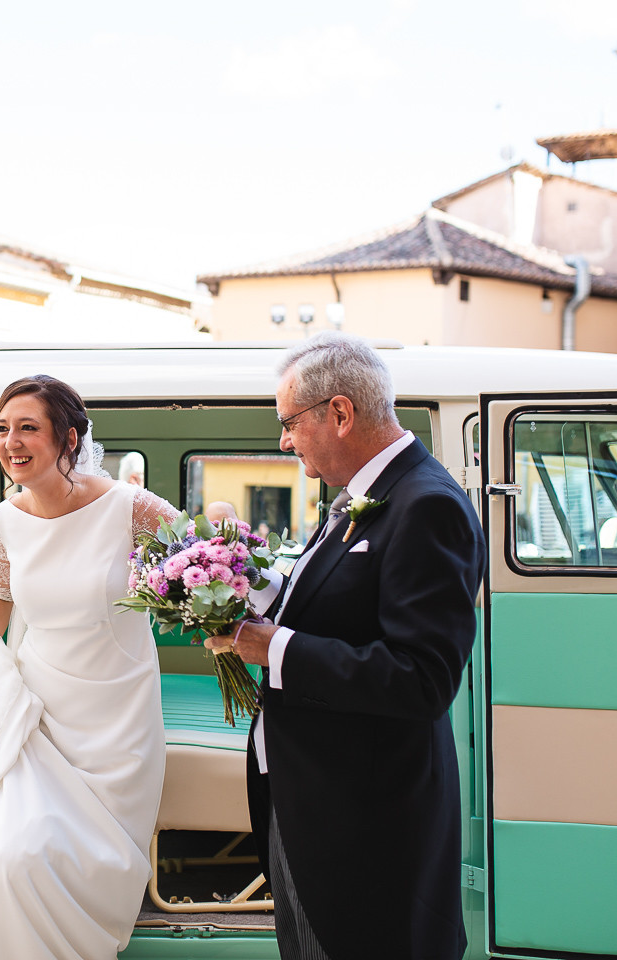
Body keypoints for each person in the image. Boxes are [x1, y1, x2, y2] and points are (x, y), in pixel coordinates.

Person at [207, 333, 484, 960]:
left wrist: (273, 648)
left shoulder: (426, 505)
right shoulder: (364, 494)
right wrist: (245, 591)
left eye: (288, 423)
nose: (283, 441)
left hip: (369, 825)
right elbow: (336, 605)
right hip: (318, 803)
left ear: (339, 412)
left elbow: (422, 679)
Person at [0, 374, 178, 960]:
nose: (11, 442)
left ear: (69, 439)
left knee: (36, 859)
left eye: (28, 427)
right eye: (2, 429)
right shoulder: (6, 518)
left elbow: (206, 560)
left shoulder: (130, 507)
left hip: (117, 723)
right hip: (36, 719)